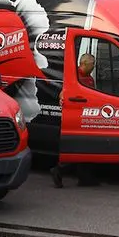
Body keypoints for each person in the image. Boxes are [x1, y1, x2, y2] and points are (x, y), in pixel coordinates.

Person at [51, 51, 100, 188]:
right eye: (92, 64)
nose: (94, 66)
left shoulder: (89, 78)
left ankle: (85, 178)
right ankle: (59, 170)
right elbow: (63, 94)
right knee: (76, 148)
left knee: (86, 148)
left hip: (87, 116)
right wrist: (62, 100)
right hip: (76, 116)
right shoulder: (74, 76)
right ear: (84, 64)